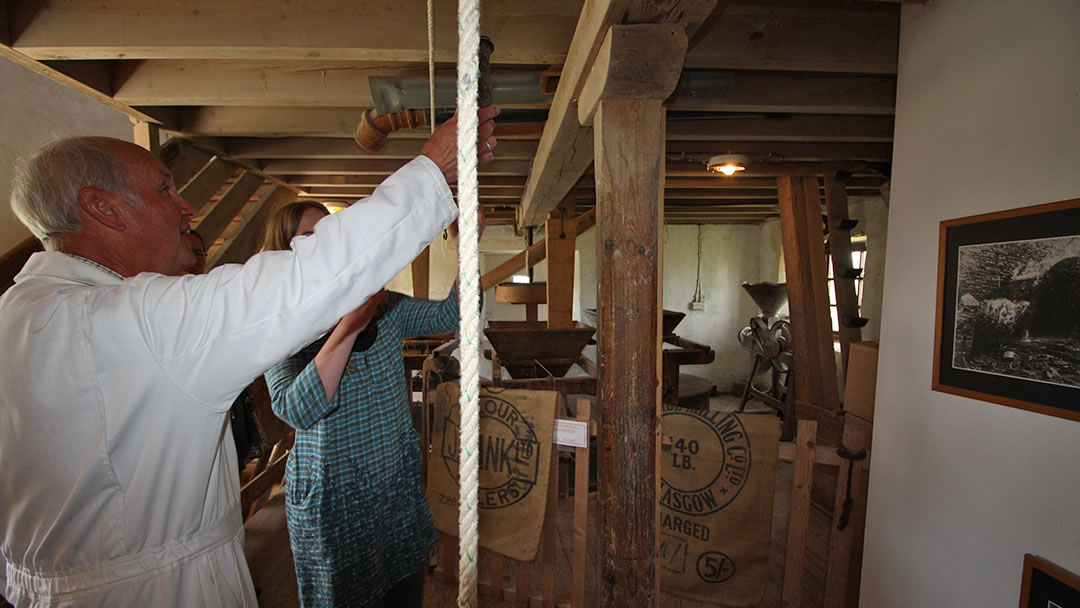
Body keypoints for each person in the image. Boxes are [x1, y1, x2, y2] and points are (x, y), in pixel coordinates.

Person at [0, 106, 498, 607]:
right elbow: (297, 397)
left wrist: (465, 254)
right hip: (191, 573)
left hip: (387, 487)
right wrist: (433, 166)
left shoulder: (22, 315)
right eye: (165, 189)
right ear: (104, 208)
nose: (187, 207)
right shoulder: (139, 319)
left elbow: (452, 313)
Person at [261, 201, 483, 607]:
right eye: (310, 237)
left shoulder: (386, 308)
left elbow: (454, 314)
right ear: (285, 250)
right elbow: (297, 410)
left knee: (402, 591)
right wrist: (348, 328)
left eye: (330, 233)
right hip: (336, 501)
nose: (325, 244)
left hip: (393, 490)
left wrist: (467, 245)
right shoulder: (281, 325)